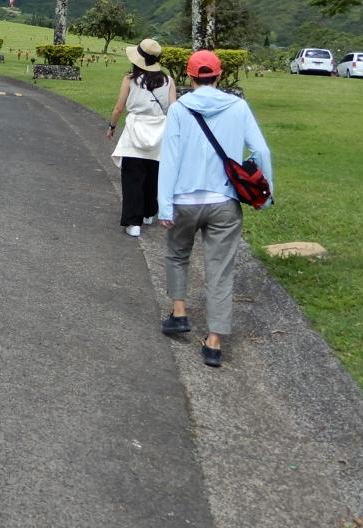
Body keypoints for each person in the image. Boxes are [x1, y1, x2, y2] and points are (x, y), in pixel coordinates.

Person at [157, 50, 273, 368]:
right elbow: (261, 151)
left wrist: (164, 205)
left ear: (189, 76)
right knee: (219, 270)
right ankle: (214, 342)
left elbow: (170, 157)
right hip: (224, 201)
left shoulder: (179, 109)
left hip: (184, 200)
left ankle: (179, 313)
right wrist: (265, 194)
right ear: (219, 75)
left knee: (177, 254)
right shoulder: (238, 107)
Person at [106, 38, 176, 238]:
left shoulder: (130, 79)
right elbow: (173, 109)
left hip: (135, 130)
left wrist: (112, 126)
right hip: (160, 131)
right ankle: (149, 212)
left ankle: (133, 222)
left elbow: (119, 108)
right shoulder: (168, 81)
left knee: (132, 177)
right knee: (153, 174)